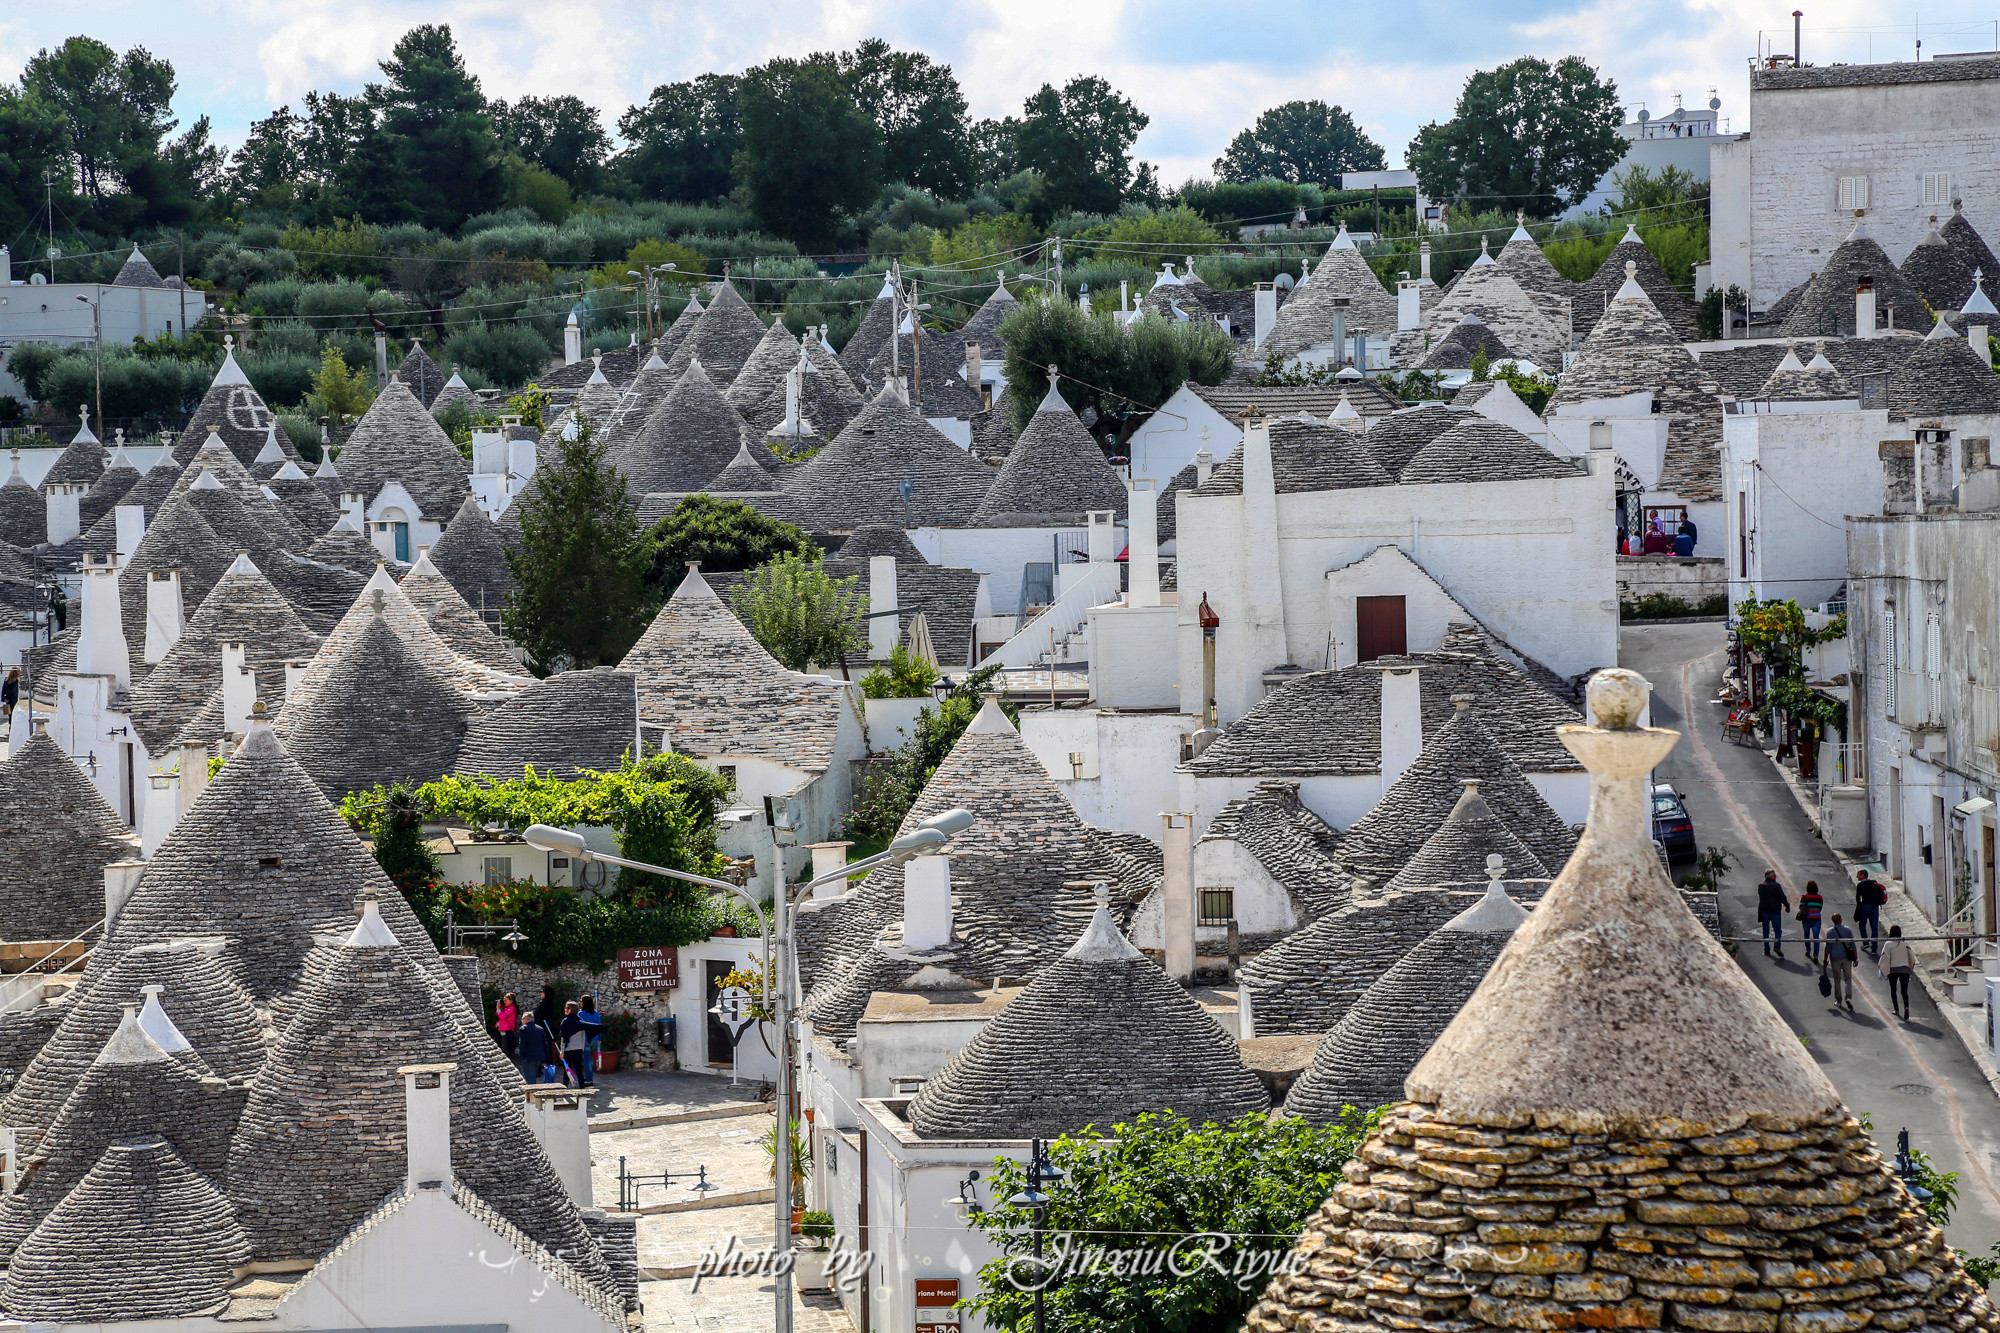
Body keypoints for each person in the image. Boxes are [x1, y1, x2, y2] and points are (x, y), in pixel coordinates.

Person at [1879, 925, 1916, 1020]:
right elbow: (1911, 956)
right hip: (1904, 969)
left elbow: (1884, 957)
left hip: (1893, 969)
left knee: (1893, 990)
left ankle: (1896, 1009)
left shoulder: (1888, 944)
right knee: (1904, 991)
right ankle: (1906, 1008)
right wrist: (1910, 967)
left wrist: (1883, 969)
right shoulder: (1905, 943)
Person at [1824, 913, 1857, 1011]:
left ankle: (1838, 999)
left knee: (1837, 979)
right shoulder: (1847, 930)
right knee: (1848, 978)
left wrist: (1825, 960)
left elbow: (1828, 948)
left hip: (1835, 958)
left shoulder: (1830, 932)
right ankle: (1848, 997)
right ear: (1840, 920)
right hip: (1847, 958)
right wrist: (1856, 958)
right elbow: (1853, 945)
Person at [1756, 869, 1789, 959]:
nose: (1775, 878)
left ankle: (1766, 949)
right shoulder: (1777, 886)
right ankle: (1777, 946)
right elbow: (1782, 897)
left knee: (1765, 931)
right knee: (1777, 930)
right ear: (1771, 876)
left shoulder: (1761, 886)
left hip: (1764, 912)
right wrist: (1787, 906)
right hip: (1775, 912)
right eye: (1774, 876)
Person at [1854, 870, 1886, 955]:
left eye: (1858, 875)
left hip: (1865, 906)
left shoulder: (1860, 885)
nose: (1857, 877)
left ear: (1863, 875)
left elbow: (1858, 899)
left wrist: (1859, 909)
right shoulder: (1874, 884)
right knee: (1874, 927)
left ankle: (1865, 943)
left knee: (1862, 925)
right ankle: (1874, 949)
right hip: (1875, 907)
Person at [579, 994, 605, 1086]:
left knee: (586, 1060)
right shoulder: (596, 1013)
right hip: (594, 1039)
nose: (580, 1003)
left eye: (581, 1001)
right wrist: (599, 1039)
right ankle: (587, 1076)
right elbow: (599, 1026)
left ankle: (589, 1080)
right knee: (589, 1060)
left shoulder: (580, 1014)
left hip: (585, 1039)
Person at [1796, 880, 1824, 962]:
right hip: (1816, 919)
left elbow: (1801, 907)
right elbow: (1820, 908)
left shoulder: (1804, 897)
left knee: (1806, 935)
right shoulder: (1820, 897)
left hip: (1806, 919)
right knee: (1816, 938)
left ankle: (1808, 950)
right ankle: (1816, 955)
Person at [494, 992, 519, 1059]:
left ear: (511, 1001)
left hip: (507, 1030)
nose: (504, 1002)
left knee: (505, 1049)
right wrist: (500, 1007)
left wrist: (498, 1008)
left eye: (506, 1000)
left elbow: (503, 1016)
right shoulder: (506, 1008)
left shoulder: (512, 1008)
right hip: (502, 1029)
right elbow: (498, 1014)